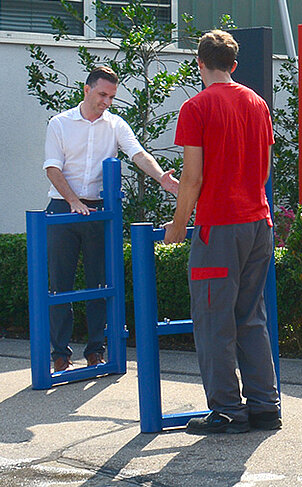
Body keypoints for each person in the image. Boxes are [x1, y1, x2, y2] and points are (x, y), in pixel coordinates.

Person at [164, 29, 279, 435]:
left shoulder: (196, 107)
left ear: (200, 64)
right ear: (233, 64)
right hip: (258, 224)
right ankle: (266, 406)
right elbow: (264, 170)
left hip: (218, 227)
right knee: (251, 317)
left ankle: (228, 409)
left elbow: (192, 177)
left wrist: (179, 225)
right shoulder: (257, 103)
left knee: (214, 322)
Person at [44, 65, 179, 372]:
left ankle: (96, 351)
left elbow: (137, 153)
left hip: (100, 211)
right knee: (59, 285)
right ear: (86, 90)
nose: (107, 101)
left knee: (101, 281)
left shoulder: (115, 124)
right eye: (102, 94)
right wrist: (73, 201)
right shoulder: (60, 123)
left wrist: (162, 178)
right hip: (63, 209)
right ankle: (60, 355)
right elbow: (52, 167)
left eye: (112, 97)